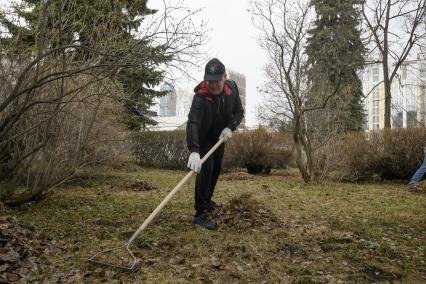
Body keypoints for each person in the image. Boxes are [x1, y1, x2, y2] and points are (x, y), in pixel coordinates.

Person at [186, 58, 244, 230]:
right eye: (209, 81)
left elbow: (239, 112)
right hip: (204, 138)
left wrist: (230, 127)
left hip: (220, 137)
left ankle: (207, 199)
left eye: (216, 81)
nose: (212, 85)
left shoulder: (232, 89)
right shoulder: (201, 97)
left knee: (216, 169)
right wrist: (194, 150)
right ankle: (200, 213)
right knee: (206, 171)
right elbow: (193, 123)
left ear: (224, 77)